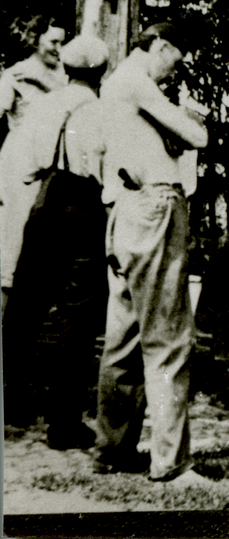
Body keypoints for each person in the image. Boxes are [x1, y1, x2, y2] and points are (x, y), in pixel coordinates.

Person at [91, 23, 210, 484]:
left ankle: (113, 449)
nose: (172, 72)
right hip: (154, 207)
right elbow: (195, 139)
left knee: (123, 337)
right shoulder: (137, 83)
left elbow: (160, 144)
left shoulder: (113, 86)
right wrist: (193, 116)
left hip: (125, 211)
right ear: (159, 47)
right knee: (169, 338)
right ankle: (171, 463)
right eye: (174, 61)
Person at [2, 35, 109, 446]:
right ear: (100, 73)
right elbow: (106, 166)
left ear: (66, 70)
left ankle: (11, 404)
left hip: (44, 201)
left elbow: (24, 165)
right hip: (83, 205)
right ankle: (63, 423)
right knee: (75, 315)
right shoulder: (101, 111)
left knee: (26, 305)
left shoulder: (44, 106)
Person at [0, 15, 68, 314]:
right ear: (36, 39)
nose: (59, 48)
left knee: (48, 238)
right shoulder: (16, 74)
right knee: (14, 235)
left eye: (63, 43)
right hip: (20, 162)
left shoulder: (65, 76)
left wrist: (46, 84)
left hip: (53, 164)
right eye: (53, 41)